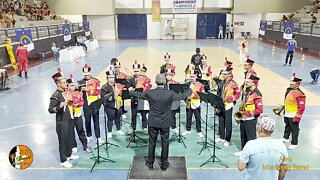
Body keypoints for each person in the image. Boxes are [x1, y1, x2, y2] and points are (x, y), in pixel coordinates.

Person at [128, 74, 192, 171]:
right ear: (165, 82)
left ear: (155, 82)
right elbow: (182, 96)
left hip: (153, 122)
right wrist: (190, 89)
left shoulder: (150, 93)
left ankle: (150, 163)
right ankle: (164, 164)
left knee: (152, 143)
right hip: (165, 123)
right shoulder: (170, 93)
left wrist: (130, 90)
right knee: (165, 143)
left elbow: (136, 94)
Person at [48, 68, 79, 168]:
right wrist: (59, 106)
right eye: (64, 82)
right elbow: (50, 109)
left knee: (70, 138)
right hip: (62, 122)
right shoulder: (55, 96)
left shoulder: (67, 92)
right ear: (58, 84)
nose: (66, 83)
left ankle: (69, 155)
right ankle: (63, 159)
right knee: (63, 140)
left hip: (70, 119)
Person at [234, 75, 263, 156]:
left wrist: (247, 113)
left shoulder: (257, 94)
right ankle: (244, 151)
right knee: (243, 136)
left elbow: (260, 110)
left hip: (250, 119)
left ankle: (253, 153)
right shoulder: (247, 91)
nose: (246, 83)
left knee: (251, 138)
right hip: (244, 118)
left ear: (253, 83)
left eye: (248, 82)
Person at [77, 64, 104, 144]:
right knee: (87, 121)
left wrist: (87, 89)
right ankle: (89, 136)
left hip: (95, 104)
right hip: (86, 105)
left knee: (96, 121)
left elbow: (98, 92)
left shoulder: (96, 81)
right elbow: (78, 93)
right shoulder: (80, 82)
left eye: (88, 74)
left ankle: (98, 137)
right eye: (85, 75)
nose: (86, 76)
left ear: (90, 72)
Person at [65, 74, 92, 153]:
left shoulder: (78, 93)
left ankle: (85, 145)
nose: (73, 87)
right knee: (71, 131)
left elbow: (82, 101)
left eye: (74, 85)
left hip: (77, 114)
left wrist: (78, 104)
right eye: (71, 85)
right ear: (68, 85)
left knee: (81, 130)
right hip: (69, 116)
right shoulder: (65, 94)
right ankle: (73, 145)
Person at [215, 67, 240, 147]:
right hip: (221, 104)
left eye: (225, 74)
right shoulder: (222, 82)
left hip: (228, 105)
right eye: (223, 74)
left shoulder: (234, 83)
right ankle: (221, 136)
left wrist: (230, 99)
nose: (224, 76)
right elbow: (219, 92)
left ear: (229, 74)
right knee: (221, 120)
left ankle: (227, 139)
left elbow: (238, 94)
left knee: (228, 122)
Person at [101, 66, 125, 139]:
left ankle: (118, 129)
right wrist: (114, 96)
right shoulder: (104, 87)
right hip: (110, 106)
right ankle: (110, 132)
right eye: (110, 77)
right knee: (110, 119)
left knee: (118, 117)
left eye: (113, 77)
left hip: (118, 104)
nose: (112, 79)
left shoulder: (118, 85)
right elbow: (104, 97)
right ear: (107, 78)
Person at [128, 60, 152, 135]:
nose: (136, 72)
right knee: (133, 114)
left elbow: (148, 87)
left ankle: (144, 127)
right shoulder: (131, 79)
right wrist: (131, 88)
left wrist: (143, 87)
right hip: (134, 99)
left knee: (143, 113)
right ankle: (133, 128)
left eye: (137, 71)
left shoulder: (145, 79)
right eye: (134, 71)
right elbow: (128, 86)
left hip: (142, 99)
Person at [282, 76, 306, 150]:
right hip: (287, 112)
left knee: (294, 129)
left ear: (297, 84)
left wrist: (298, 116)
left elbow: (302, 107)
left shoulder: (300, 94)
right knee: (287, 126)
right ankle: (286, 137)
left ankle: (294, 143)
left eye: (292, 84)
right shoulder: (290, 90)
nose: (290, 85)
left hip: (293, 114)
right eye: (290, 83)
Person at [182, 65, 205, 138]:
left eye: (193, 76)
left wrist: (194, 95)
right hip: (189, 103)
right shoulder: (187, 84)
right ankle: (188, 129)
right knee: (188, 116)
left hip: (196, 103)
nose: (191, 78)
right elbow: (184, 93)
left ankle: (199, 131)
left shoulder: (200, 85)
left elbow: (203, 94)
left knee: (197, 117)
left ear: (196, 76)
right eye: (190, 76)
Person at [164, 64, 179, 134]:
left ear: (172, 75)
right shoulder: (163, 84)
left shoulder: (176, 83)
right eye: (167, 75)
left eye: (170, 75)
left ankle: (173, 126)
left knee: (173, 115)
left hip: (173, 103)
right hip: (165, 103)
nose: (168, 77)